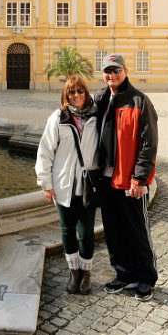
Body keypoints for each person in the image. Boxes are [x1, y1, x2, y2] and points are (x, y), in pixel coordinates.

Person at [95, 53, 158, 301]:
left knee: (136, 230)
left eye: (116, 70)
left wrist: (140, 179)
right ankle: (123, 274)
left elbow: (149, 143)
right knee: (113, 230)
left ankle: (145, 277)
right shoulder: (100, 99)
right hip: (106, 179)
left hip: (130, 180)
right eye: (107, 71)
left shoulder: (139, 101)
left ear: (125, 70)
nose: (112, 75)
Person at [35, 74, 99, 295]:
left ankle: (87, 273)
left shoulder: (96, 116)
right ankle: (74, 272)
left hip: (88, 185)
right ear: (66, 95)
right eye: (71, 92)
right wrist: (45, 182)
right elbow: (45, 151)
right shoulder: (58, 118)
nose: (76, 95)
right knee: (67, 230)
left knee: (87, 232)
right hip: (64, 185)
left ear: (86, 92)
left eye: (80, 91)